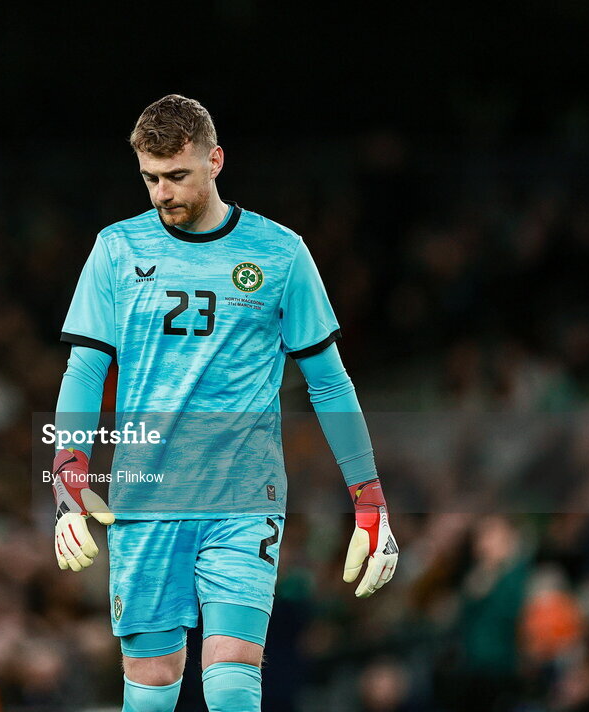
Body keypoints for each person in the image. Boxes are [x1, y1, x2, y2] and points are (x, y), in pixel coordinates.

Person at [51, 94, 398, 712]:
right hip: (146, 490)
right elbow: (84, 370)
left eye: (177, 176)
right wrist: (67, 480)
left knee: (233, 670)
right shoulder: (115, 249)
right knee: (152, 677)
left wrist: (367, 498)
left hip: (244, 494)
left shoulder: (281, 253)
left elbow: (329, 381)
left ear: (215, 161)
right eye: (150, 178)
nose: (162, 193)